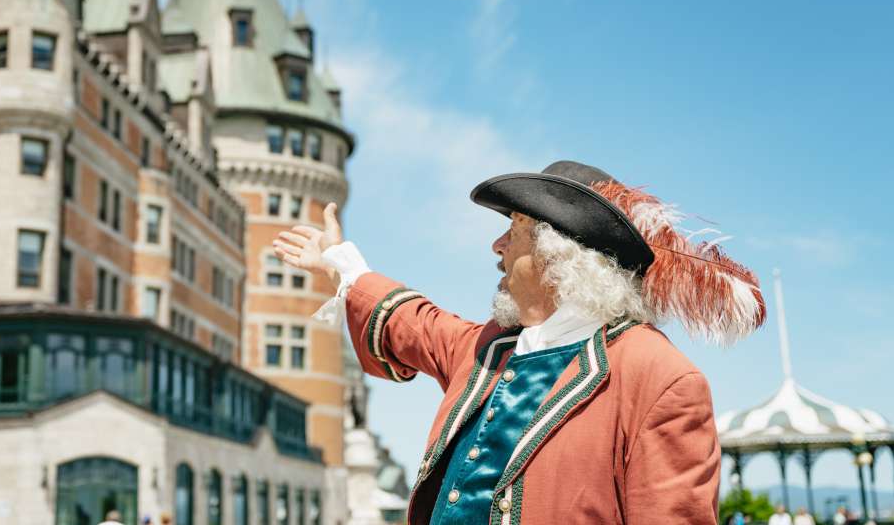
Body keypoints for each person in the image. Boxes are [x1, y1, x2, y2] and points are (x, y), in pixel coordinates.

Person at [274, 161, 766, 524]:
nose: (498, 246)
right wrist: (342, 265)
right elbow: (415, 323)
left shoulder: (658, 378)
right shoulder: (490, 349)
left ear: (558, 254)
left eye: (514, 230)